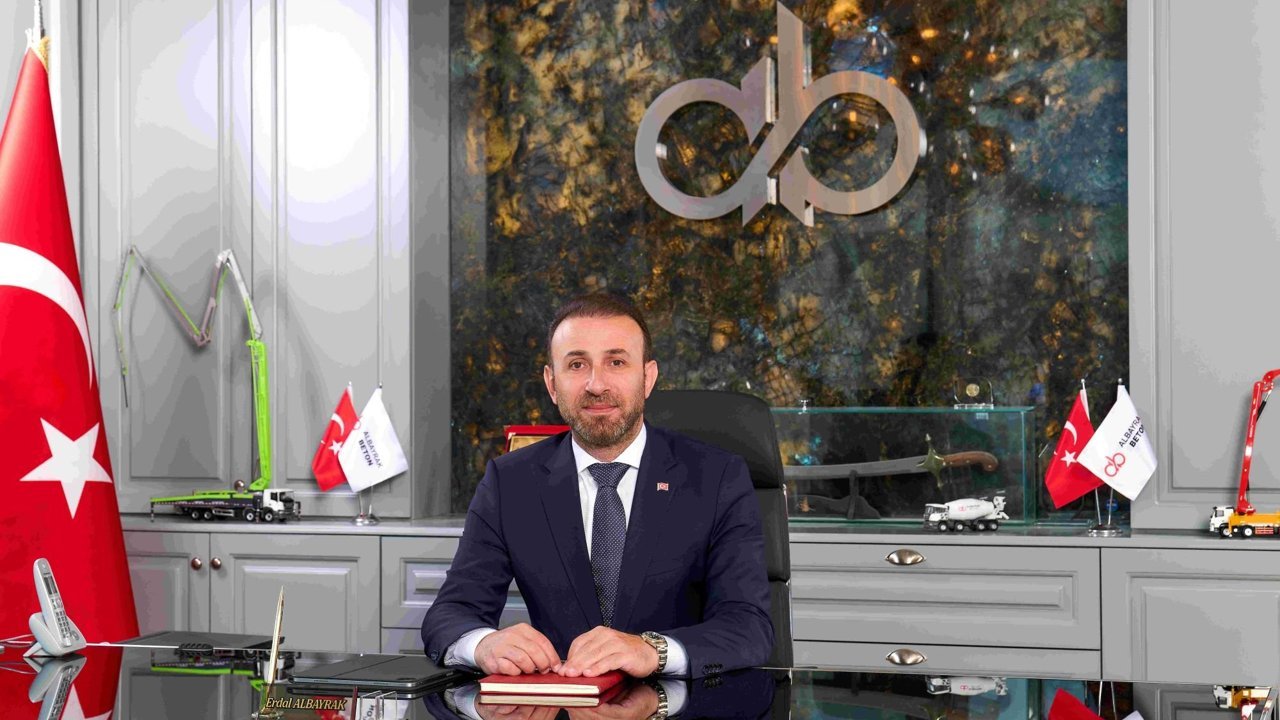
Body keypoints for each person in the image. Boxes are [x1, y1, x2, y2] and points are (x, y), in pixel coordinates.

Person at [421, 293, 772, 682]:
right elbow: (449, 614)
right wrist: (483, 644)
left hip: (682, 704)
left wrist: (652, 650)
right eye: (577, 365)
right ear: (552, 384)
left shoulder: (717, 477)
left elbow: (749, 626)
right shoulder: (510, 482)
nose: (596, 384)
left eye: (616, 362)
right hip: (559, 704)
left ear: (648, 377)